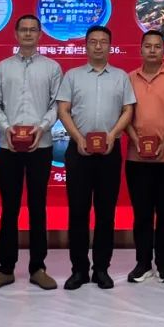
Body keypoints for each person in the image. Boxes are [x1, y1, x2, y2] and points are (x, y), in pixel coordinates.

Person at [0, 14, 62, 292]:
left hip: (41, 146)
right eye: (23, 30)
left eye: (33, 30)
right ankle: (5, 269)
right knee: (9, 207)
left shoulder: (52, 67)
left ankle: (38, 268)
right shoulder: (2, 68)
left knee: (38, 206)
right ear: (15, 34)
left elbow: (57, 104)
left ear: (40, 34)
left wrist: (42, 127)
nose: (28, 34)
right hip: (9, 147)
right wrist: (6, 129)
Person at [56, 25, 136, 290]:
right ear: (86, 46)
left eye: (103, 42)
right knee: (78, 212)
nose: (98, 46)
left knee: (105, 212)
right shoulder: (72, 76)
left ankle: (101, 269)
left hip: (109, 152)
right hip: (78, 152)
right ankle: (79, 270)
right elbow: (63, 110)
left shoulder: (121, 77)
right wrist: (79, 138)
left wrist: (113, 135)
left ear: (110, 46)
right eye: (93, 42)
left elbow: (128, 110)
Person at [126, 30, 164, 283]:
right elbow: (125, 114)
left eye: (157, 46)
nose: (152, 50)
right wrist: (135, 140)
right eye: (148, 46)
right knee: (141, 213)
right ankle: (142, 263)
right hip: (136, 158)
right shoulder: (130, 78)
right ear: (141, 49)